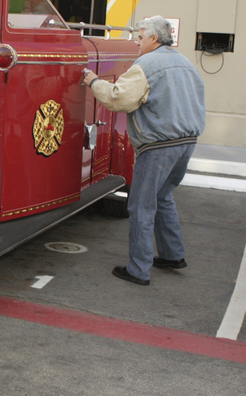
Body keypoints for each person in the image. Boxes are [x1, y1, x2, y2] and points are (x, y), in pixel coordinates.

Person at [82, 16, 205, 286]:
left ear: (153, 38)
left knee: (141, 205)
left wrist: (93, 82)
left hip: (158, 146)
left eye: (140, 37)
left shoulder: (146, 64)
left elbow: (119, 99)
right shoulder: (186, 63)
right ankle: (173, 255)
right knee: (163, 197)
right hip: (187, 143)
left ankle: (138, 269)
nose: (137, 42)